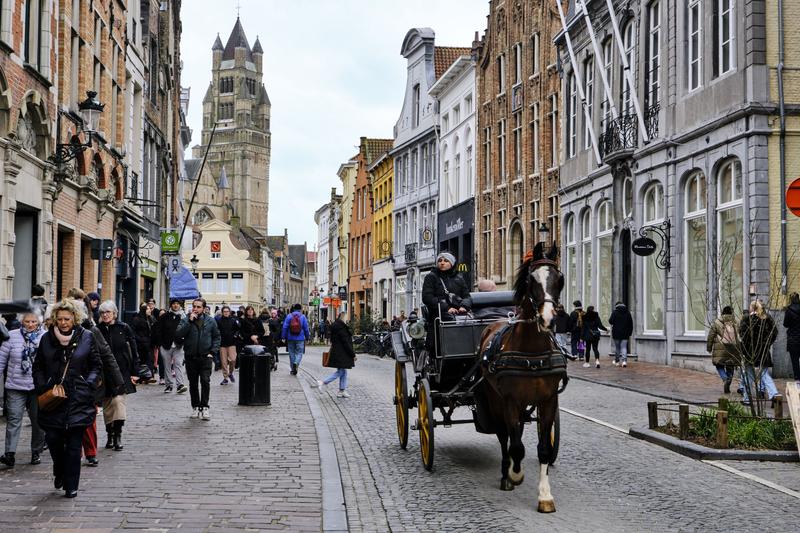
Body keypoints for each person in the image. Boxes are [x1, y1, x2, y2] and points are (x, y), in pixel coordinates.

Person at [33, 299, 102, 498]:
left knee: (74, 443)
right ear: (55, 319)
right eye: (60, 319)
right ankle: (59, 469)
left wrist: (87, 384)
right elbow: (38, 366)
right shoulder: (47, 339)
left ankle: (71, 485)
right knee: (53, 439)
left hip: (78, 398)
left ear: (75, 318)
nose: (63, 322)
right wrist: (43, 385)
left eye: (67, 319)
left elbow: (96, 365)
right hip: (53, 397)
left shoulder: (86, 337)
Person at [0, 311, 46, 468]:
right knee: (14, 419)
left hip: (37, 386)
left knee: (38, 420)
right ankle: (9, 454)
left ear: (38, 322)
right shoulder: (11, 336)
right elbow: (1, 359)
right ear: (22, 322)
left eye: (34, 321)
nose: (31, 324)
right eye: (27, 321)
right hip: (15, 385)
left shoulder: (45, 337)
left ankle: (36, 452)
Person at [96, 300, 138, 451]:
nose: (105, 315)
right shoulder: (97, 330)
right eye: (102, 312)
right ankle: (109, 435)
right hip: (104, 373)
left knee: (118, 403)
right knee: (108, 406)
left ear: (114, 313)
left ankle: (118, 435)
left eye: (108, 312)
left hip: (122, 372)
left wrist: (135, 372)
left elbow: (133, 350)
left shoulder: (124, 328)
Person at [174, 298, 220, 420]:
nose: (195, 309)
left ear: (204, 308)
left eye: (198, 307)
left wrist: (212, 352)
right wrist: (189, 322)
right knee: (193, 384)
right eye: (194, 306)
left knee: (205, 381)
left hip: (206, 357)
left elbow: (216, 337)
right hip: (191, 357)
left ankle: (205, 407)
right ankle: (195, 407)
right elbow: (178, 335)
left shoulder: (211, 321)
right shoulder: (185, 320)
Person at [421, 252, 472, 353]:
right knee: (436, 348)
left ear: (452, 263)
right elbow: (427, 297)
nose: (442, 263)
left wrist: (464, 306)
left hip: (458, 316)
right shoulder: (431, 277)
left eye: (446, 260)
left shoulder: (459, 278)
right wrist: (446, 308)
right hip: (438, 316)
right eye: (440, 261)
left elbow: (467, 296)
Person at [739, 300, 779, 405]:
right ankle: (774, 394)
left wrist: (744, 348)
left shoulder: (747, 319)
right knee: (765, 374)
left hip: (749, 352)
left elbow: (742, 334)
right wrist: (767, 343)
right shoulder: (767, 318)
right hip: (763, 352)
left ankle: (747, 400)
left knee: (749, 375)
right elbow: (775, 332)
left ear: (752, 308)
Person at [314, 311, 355, 398]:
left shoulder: (335, 326)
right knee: (341, 371)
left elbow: (332, 339)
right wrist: (352, 354)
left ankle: (341, 391)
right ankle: (324, 382)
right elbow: (346, 343)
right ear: (343, 318)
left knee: (344, 371)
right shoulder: (342, 328)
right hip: (342, 353)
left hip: (337, 351)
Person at [153, 299, 188, 394]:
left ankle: (180, 384)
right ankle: (169, 385)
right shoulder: (165, 316)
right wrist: (160, 343)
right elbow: (158, 329)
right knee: (167, 365)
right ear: (171, 305)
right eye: (174, 304)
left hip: (179, 345)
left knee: (178, 364)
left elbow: (187, 330)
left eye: (177, 304)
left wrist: (185, 341)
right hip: (166, 344)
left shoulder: (184, 317)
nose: (176, 305)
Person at [707, 306, 739, 393]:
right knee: (730, 366)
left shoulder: (717, 322)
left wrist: (709, 347)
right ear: (732, 313)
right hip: (733, 349)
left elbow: (711, 336)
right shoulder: (735, 322)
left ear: (722, 312)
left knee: (719, 365)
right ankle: (728, 381)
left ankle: (725, 379)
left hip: (720, 348)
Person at [130, 303, 156, 382]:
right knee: (141, 361)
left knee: (149, 360)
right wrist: (140, 339)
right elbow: (133, 331)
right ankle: (141, 377)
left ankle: (149, 376)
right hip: (140, 344)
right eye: (147, 309)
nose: (149, 310)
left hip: (148, 344)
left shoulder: (150, 319)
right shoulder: (137, 319)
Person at [282, 304, 310, 375]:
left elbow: (285, 327)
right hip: (300, 338)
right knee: (299, 352)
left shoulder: (289, 316)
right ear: (300, 309)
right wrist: (307, 337)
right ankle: (296, 363)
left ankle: (292, 369)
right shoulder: (303, 317)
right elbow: (306, 328)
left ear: (293, 309)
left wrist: (283, 337)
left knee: (291, 353)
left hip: (290, 337)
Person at [216, 305, 240, 385]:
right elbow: (216, 330)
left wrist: (235, 335)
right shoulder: (219, 321)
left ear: (229, 312)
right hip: (222, 344)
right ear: (222, 313)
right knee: (223, 362)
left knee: (233, 359)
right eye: (224, 312)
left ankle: (230, 373)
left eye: (227, 311)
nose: (226, 313)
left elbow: (237, 329)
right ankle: (225, 378)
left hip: (231, 343)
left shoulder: (233, 320)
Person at [608, 301, 634, 368]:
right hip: (625, 333)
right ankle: (624, 361)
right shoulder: (627, 313)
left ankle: (617, 361)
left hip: (616, 333)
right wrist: (630, 332)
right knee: (624, 347)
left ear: (616, 306)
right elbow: (630, 323)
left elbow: (610, 321)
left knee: (617, 348)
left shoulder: (615, 312)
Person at [783, 292, 800, 382]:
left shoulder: (789, 310)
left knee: (795, 361)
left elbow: (785, 324)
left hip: (793, 340)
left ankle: (797, 380)